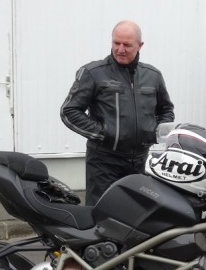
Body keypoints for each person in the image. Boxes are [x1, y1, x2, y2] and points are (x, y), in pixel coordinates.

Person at [61, 20, 175, 205]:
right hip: (104, 163)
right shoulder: (93, 73)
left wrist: (156, 132)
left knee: (136, 213)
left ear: (140, 45)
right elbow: (69, 111)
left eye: (127, 45)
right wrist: (103, 132)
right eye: (116, 43)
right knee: (102, 215)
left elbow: (166, 109)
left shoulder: (153, 75)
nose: (120, 49)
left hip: (140, 162)